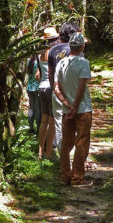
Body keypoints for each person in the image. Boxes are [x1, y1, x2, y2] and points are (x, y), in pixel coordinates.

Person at [54, 32, 93, 186]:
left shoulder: (61, 63)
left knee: (66, 143)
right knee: (81, 142)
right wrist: (75, 107)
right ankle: (77, 178)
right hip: (82, 109)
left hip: (67, 110)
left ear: (70, 46)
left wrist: (66, 104)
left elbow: (56, 87)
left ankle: (65, 175)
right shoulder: (83, 63)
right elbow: (81, 87)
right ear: (82, 46)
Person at [47, 22, 79, 150]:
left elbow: (50, 73)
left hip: (57, 90)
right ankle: (73, 153)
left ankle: (63, 155)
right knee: (74, 121)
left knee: (59, 122)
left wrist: (54, 89)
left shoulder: (53, 50)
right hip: (73, 91)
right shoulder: (76, 49)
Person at [38, 26, 60, 159]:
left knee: (43, 121)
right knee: (51, 122)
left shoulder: (41, 53)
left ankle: (40, 151)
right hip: (51, 88)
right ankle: (49, 152)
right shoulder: (54, 53)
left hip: (41, 87)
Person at [26, 50, 41, 134]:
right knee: (38, 110)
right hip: (37, 87)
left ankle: (31, 128)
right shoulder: (38, 62)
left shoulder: (29, 61)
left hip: (29, 87)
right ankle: (39, 129)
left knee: (31, 108)